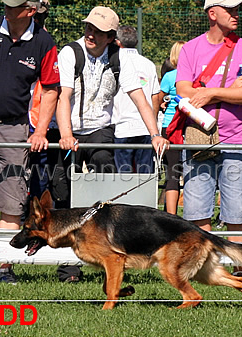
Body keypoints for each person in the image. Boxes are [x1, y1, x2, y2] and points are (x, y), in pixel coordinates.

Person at [55, 7, 168, 282]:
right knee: (61, 192)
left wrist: (155, 133)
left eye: (99, 31)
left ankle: (109, 258)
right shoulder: (71, 52)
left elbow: (139, 97)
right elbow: (63, 96)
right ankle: (67, 267)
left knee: (103, 177)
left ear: (110, 37)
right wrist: (66, 135)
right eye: (89, 28)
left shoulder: (119, 58)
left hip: (101, 129)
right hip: (67, 129)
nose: (91, 34)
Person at [175, 0, 242, 277]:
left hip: (236, 139)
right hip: (199, 139)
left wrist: (212, 93)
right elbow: (183, 90)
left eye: (238, 10)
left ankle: (240, 271)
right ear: (212, 13)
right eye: (231, 10)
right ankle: (203, 269)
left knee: (236, 212)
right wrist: (230, 88)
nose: (236, 15)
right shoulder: (191, 48)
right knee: (196, 211)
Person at [0, 0, 60, 283]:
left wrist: (39, 131)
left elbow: (51, 90)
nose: (6, 9)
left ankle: (6, 268)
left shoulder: (44, 41)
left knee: (12, 202)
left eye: (13, 6)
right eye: (5, 4)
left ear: (30, 10)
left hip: (15, 131)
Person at [112, 25, 160, 174]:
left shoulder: (114, 61)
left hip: (121, 128)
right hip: (145, 128)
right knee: (144, 178)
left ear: (117, 42)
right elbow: (155, 98)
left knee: (122, 178)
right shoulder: (149, 64)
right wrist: (154, 125)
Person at [158, 41, 185, 214]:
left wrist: (164, 103)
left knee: (172, 174)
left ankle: (171, 215)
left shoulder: (170, 77)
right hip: (188, 127)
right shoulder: (196, 78)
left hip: (169, 127)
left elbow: (159, 98)